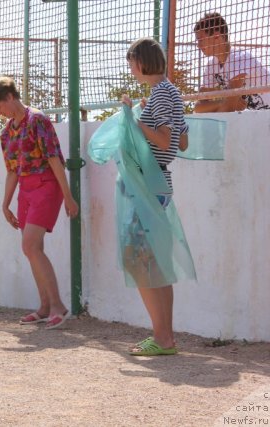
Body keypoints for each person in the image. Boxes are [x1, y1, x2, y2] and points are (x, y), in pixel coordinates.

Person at [0, 76, 79, 330]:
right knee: (31, 248)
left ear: (11, 97)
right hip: (26, 189)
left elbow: (55, 159)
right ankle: (45, 306)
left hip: (47, 185)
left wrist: (68, 196)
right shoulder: (6, 133)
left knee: (30, 245)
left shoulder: (38, 120)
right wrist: (5, 204)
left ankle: (58, 306)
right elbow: (12, 170)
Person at [120, 38, 191, 355]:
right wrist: (148, 115)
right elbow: (183, 141)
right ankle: (165, 337)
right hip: (159, 183)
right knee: (155, 263)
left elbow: (164, 141)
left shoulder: (161, 93)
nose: (131, 69)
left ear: (140, 62)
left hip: (149, 184)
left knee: (137, 261)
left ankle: (162, 338)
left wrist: (134, 121)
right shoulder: (169, 92)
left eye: (131, 62)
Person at [194, 12, 270, 112]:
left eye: (201, 40)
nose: (198, 45)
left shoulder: (240, 58)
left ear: (217, 36)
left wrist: (221, 104)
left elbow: (228, 107)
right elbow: (199, 108)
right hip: (251, 119)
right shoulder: (211, 65)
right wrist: (221, 102)